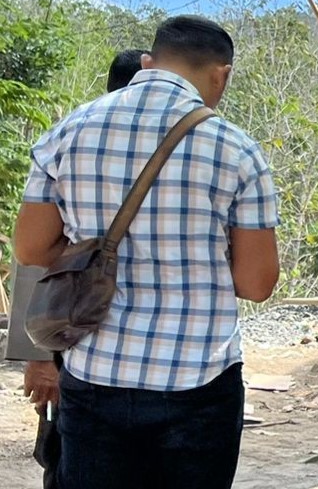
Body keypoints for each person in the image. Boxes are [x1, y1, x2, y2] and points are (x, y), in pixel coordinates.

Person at [13, 15, 280, 489]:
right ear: (222, 74)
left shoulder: (67, 131)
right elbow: (256, 284)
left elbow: (31, 247)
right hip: (198, 379)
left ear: (148, 62)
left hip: (94, 370)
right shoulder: (238, 152)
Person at [7, 47, 149, 489]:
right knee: (69, 465)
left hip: (145, 362)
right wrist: (40, 360)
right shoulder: (75, 145)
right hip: (77, 351)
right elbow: (33, 255)